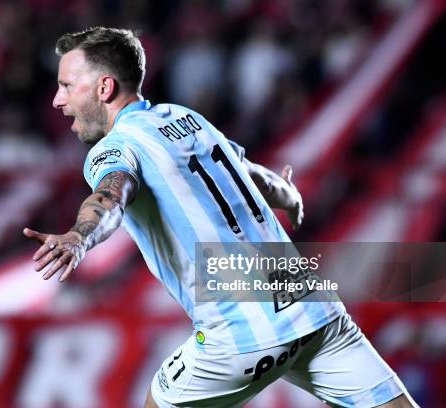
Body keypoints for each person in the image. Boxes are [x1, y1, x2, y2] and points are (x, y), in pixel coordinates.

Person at [23, 27, 417, 408]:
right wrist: (288, 194)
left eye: (67, 86)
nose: (58, 100)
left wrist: (79, 236)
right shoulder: (186, 118)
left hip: (240, 332)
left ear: (104, 88)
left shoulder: (116, 146)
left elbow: (111, 194)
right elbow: (245, 170)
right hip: (311, 307)